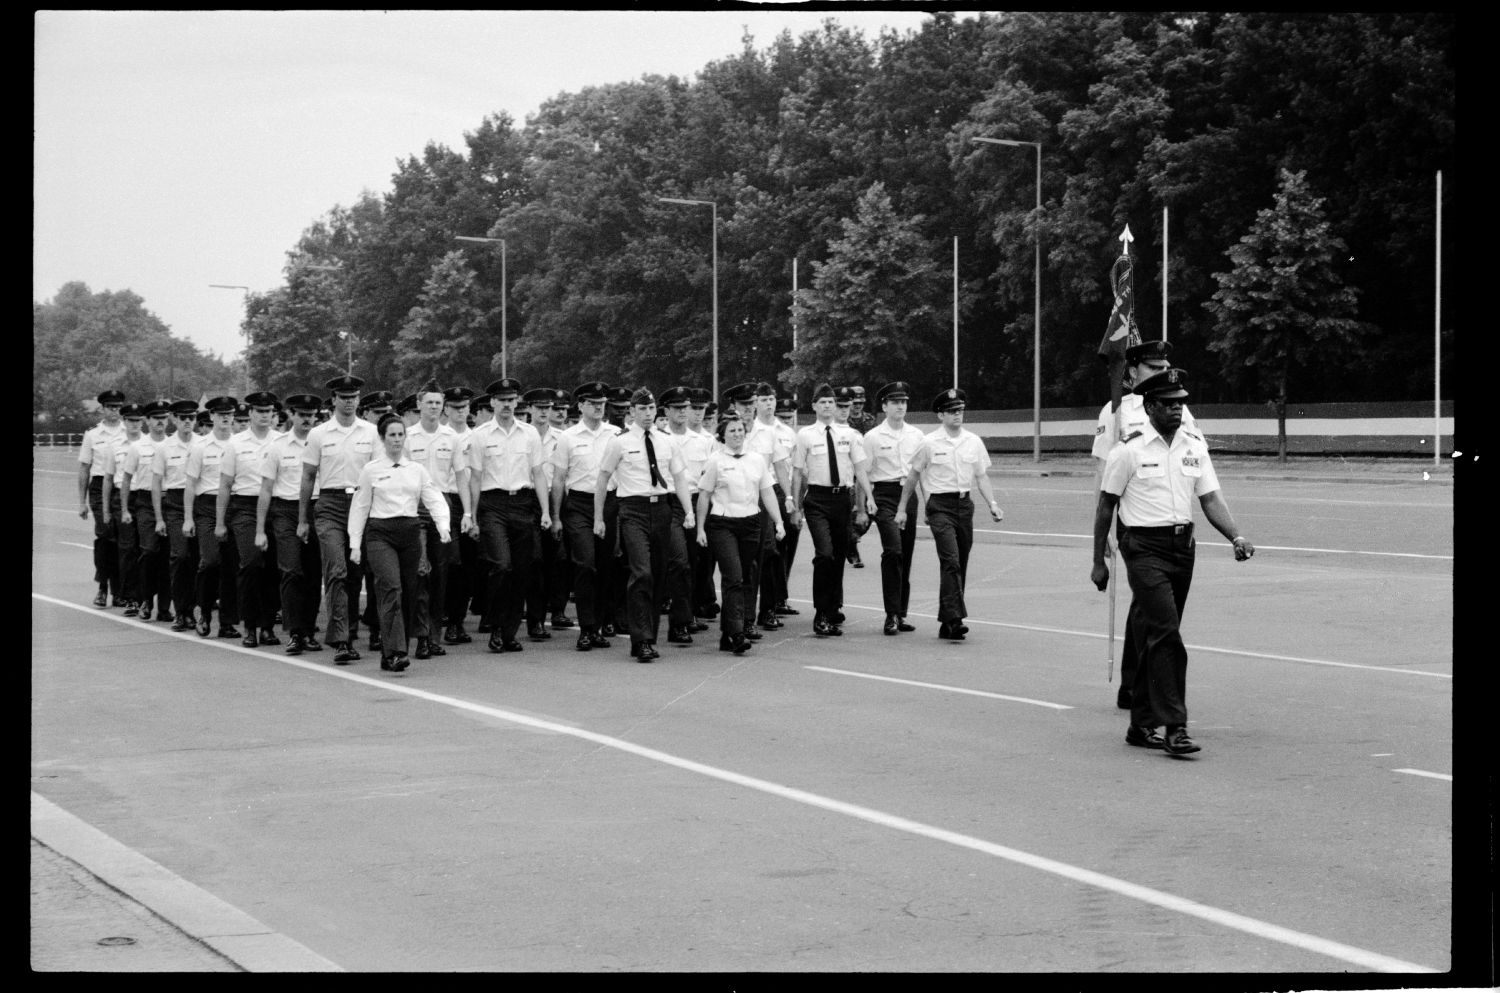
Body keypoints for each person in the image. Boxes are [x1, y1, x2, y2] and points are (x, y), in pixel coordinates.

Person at [1091, 369, 1254, 756]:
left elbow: (1210, 499)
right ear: (1149, 407)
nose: (1177, 409)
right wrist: (1098, 559)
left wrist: (1236, 536)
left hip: (1182, 548)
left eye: (1180, 402)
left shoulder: (1194, 446)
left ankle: (1141, 723)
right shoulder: (1128, 451)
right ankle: (1175, 727)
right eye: (1168, 404)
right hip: (1142, 547)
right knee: (1168, 635)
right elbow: (1105, 506)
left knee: (1159, 634)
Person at [1092, 339, 1199, 709]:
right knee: (1149, 608)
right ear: (1133, 371)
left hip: (1169, 520)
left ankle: (1135, 685)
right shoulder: (1117, 410)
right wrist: (1103, 531)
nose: (1163, 372)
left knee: (1147, 608)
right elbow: (1105, 472)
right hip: (1132, 522)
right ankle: (1139, 688)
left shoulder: (1176, 405)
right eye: (1154, 368)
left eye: (1165, 366)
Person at [593, 388, 695, 662]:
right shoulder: (620, 442)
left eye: (651, 409)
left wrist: (688, 511)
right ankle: (641, 641)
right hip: (632, 510)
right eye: (642, 410)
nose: (648, 414)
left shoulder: (667, 442)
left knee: (660, 574)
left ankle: (650, 634)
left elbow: (679, 478)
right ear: (633, 412)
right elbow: (602, 478)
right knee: (641, 572)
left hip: (662, 508)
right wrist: (599, 517)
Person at [895, 388, 1004, 641]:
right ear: (940, 416)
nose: (957, 415)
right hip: (939, 506)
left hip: (964, 506)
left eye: (960, 411)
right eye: (952, 412)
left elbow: (981, 476)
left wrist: (993, 504)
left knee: (960, 563)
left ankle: (947, 622)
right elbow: (913, 475)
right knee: (951, 560)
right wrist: (902, 508)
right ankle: (955, 619)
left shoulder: (973, 441)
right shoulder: (929, 442)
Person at [349, 414, 452, 672]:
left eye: (400, 434)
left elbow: (433, 498)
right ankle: (396, 651)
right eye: (392, 435)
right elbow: (360, 507)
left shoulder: (416, 469)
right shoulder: (371, 470)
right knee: (391, 588)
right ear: (382, 439)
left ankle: (392, 651)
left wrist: (443, 526)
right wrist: (355, 543)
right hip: (380, 533)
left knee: (409, 591)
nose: (397, 439)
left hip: (409, 532)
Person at [466, 378, 551, 654]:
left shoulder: (529, 434)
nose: (506, 404)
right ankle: (495, 623)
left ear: (517, 402)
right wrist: (472, 515)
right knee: (502, 566)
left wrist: (546, 511)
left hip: (523, 504)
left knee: (522, 572)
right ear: (491, 402)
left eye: (511, 399)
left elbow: (538, 473)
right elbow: (475, 477)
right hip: (492, 505)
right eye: (501, 399)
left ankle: (508, 632)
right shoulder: (480, 435)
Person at [300, 375, 379, 665]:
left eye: (353, 396)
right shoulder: (319, 434)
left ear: (359, 399)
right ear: (333, 399)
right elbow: (308, 477)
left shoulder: (371, 432)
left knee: (356, 572)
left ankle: (351, 629)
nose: (349, 401)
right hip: (330, 504)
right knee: (336, 570)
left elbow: (380, 472)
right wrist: (302, 520)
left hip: (361, 503)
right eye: (343, 396)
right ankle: (341, 640)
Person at [695, 416, 785, 654]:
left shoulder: (756, 460)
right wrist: (701, 528)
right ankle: (737, 633)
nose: (736, 434)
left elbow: (766, 492)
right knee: (733, 576)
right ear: (722, 435)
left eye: (740, 430)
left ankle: (728, 633)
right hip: (722, 524)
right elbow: (704, 495)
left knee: (744, 577)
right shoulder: (715, 461)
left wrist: (778, 522)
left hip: (751, 523)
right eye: (731, 430)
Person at [790, 383, 873, 637]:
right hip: (817, 499)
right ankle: (821, 613)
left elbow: (860, 469)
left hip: (841, 500)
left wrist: (868, 498)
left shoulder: (848, 435)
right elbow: (796, 473)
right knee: (824, 554)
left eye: (831, 402)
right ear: (814, 406)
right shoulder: (805, 435)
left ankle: (833, 606)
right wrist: (794, 506)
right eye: (822, 402)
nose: (827, 406)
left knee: (837, 556)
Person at [550, 381, 621, 652]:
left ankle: (599, 627)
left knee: (605, 566)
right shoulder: (568, 437)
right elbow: (558, 480)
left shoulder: (615, 434)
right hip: (579, 504)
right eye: (592, 403)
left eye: (602, 403)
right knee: (585, 563)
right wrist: (556, 516)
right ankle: (587, 627)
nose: (599, 407)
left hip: (610, 504)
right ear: (580, 406)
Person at [254, 393, 324, 655]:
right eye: (302, 414)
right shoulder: (278, 446)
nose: (307, 419)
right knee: (291, 569)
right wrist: (260, 529)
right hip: (285, 510)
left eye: (311, 415)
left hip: (318, 507)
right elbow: (265, 489)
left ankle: (308, 629)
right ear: (292, 415)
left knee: (314, 571)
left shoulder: (323, 443)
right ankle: (294, 632)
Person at [216, 390, 282, 647]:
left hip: (275, 506)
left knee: (272, 567)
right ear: (251, 413)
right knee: (251, 564)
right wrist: (221, 522)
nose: (264, 416)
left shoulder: (281, 441)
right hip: (244, 506)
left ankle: (267, 625)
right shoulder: (236, 443)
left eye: (269, 412)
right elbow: (225, 485)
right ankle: (250, 626)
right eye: (260, 411)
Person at [864, 382, 926, 635]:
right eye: (895, 402)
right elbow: (864, 474)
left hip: (908, 495)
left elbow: (921, 473)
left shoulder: (917, 436)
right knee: (893, 550)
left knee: (906, 553)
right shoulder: (873, 437)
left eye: (904, 402)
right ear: (884, 406)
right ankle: (890, 614)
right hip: (885, 495)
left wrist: (928, 503)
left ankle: (901, 613)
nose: (900, 406)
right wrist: (865, 503)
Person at [403, 382, 458, 660]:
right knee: (421, 573)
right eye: (429, 402)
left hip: (442, 506)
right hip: (414, 508)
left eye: (438, 403)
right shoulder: (408, 437)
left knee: (439, 575)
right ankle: (422, 637)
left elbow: (461, 475)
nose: (434, 407)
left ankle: (433, 635)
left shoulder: (451, 437)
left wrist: (468, 514)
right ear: (419, 403)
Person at [184, 396, 240, 638]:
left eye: (229, 413)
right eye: (220, 414)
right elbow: (189, 484)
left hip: (234, 506)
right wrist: (188, 518)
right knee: (210, 560)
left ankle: (227, 621)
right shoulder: (200, 447)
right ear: (212, 417)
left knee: (230, 565)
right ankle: (203, 610)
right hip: (207, 506)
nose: (225, 418)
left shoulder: (240, 444)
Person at [744, 383, 798, 633]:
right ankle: (742, 615)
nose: (767, 404)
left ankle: (767, 610)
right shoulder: (734, 431)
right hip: (740, 497)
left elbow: (779, 465)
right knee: (747, 558)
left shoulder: (772, 434)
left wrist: (788, 496)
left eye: (770, 399)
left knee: (769, 552)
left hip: (768, 494)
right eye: (761, 400)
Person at [151, 399, 203, 631]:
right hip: (174, 503)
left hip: (199, 503)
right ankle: (180, 611)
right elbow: (156, 483)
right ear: (174, 419)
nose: (188, 422)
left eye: (191, 418)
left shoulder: (203, 444)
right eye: (183, 418)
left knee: (195, 558)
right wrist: (159, 517)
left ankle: (191, 609)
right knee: (180, 556)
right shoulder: (164, 447)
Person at [657, 386, 703, 643]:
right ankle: (679, 623)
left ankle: (687, 615)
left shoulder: (702, 441)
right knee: (679, 562)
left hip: (696, 502)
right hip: (668, 502)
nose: (683, 412)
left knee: (693, 565)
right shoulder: (659, 439)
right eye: (677, 408)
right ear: (666, 411)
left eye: (685, 407)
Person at [121, 400, 174, 622]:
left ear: (168, 419)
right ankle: (145, 600)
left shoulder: (174, 445)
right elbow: (126, 479)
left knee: (168, 556)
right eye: (155, 418)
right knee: (149, 551)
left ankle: (164, 607)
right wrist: (124, 508)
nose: (159, 422)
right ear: (148, 421)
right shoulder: (137, 447)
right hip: (144, 502)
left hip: (170, 501)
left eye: (163, 417)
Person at [78, 389, 127, 607]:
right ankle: (103, 587)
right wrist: (81, 502)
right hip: (99, 488)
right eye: (110, 407)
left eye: (117, 407)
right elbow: (84, 469)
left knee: (121, 539)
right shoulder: (93, 435)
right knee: (105, 535)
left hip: (122, 487)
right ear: (103, 409)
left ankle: (119, 589)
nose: (114, 411)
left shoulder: (130, 432)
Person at [439, 386, 479, 644]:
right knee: (448, 563)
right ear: (446, 409)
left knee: (466, 565)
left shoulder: (476, 438)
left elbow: (477, 477)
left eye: (464, 407)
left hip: (468, 504)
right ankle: (439, 616)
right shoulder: (439, 436)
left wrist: (473, 514)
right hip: (442, 501)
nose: (460, 412)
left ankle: (456, 622)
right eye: (454, 407)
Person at [101, 404, 145, 615]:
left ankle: (147, 595)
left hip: (145, 497)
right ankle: (130, 597)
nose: (134, 424)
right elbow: (108, 479)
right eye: (130, 420)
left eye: (138, 420)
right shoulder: (115, 446)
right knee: (127, 549)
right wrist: (107, 511)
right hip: (122, 499)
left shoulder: (150, 444)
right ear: (124, 421)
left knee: (147, 549)